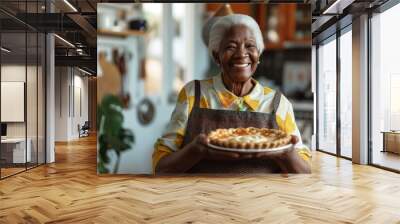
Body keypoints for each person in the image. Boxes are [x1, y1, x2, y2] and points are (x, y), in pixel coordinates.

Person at [152, 14, 311, 174]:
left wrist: (285, 152)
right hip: (201, 197)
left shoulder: (277, 104)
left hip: (263, 197)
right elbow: (161, 166)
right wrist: (196, 150)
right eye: (230, 47)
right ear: (216, 56)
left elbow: (304, 172)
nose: (241, 54)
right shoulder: (193, 95)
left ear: (259, 54)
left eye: (250, 46)